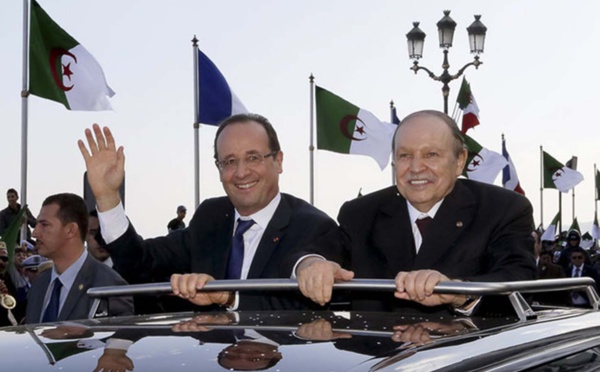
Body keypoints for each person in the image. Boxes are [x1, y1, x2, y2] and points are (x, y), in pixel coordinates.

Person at [78, 113, 337, 311]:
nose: (241, 172)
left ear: (278, 161)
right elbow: (141, 265)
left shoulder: (312, 226)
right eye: (229, 161)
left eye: (254, 157)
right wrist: (108, 197)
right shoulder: (211, 217)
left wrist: (227, 296)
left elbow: (309, 312)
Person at [295, 109, 537, 314]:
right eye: (405, 155)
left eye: (431, 154)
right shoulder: (360, 212)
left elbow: (519, 277)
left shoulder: (503, 208)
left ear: (460, 160)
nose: (416, 167)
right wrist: (312, 265)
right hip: (379, 360)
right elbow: (317, 251)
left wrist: (456, 291)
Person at [25, 193, 134, 323]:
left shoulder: (109, 287)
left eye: (44, 224)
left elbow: (115, 342)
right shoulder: (39, 285)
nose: (34, 233)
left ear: (71, 230)